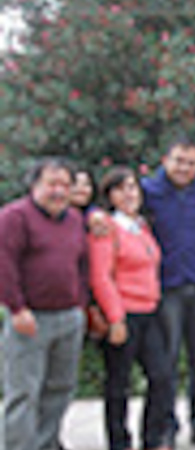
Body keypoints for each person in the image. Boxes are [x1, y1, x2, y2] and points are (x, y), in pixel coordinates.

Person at [131, 138, 195, 448]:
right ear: (165, 160)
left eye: (191, 163)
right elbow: (113, 207)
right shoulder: (147, 191)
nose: (185, 168)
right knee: (167, 363)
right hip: (165, 288)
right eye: (179, 161)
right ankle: (166, 427)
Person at [0, 158, 88, 450]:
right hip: (30, 318)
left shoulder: (74, 219)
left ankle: (46, 444)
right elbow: (3, 264)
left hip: (69, 317)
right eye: (52, 183)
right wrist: (16, 308)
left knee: (60, 389)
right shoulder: (14, 217)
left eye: (65, 184)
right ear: (34, 185)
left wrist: (81, 305)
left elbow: (82, 264)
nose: (59, 191)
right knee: (23, 393)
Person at [88, 167, 172, 450]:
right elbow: (101, 277)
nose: (128, 194)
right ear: (110, 195)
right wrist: (116, 318)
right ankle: (119, 442)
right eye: (120, 189)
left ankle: (152, 439)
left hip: (150, 312)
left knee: (161, 377)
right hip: (123, 314)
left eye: (133, 187)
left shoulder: (142, 226)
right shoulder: (106, 228)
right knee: (119, 384)